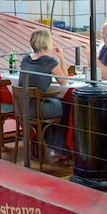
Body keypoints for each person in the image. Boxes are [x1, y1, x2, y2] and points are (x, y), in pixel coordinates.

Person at [18, 29, 69, 162]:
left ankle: (55, 148)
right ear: (47, 43)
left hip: (24, 107)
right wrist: (62, 57)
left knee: (56, 107)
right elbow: (64, 81)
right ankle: (62, 149)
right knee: (66, 107)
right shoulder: (48, 61)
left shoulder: (26, 59)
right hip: (39, 108)